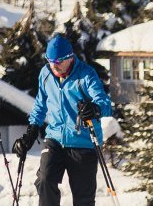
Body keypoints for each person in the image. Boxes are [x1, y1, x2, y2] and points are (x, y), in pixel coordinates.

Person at [12, 35, 114, 206]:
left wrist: (94, 109)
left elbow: (105, 104)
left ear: (70, 57)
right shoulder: (46, 74)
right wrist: (31, 132)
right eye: (50, 60)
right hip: (55, 138)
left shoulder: (86, 74)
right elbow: (40, 105)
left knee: (83, 199)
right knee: (45, 180)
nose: (54, 65)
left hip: (84, 142)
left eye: (59, 61)